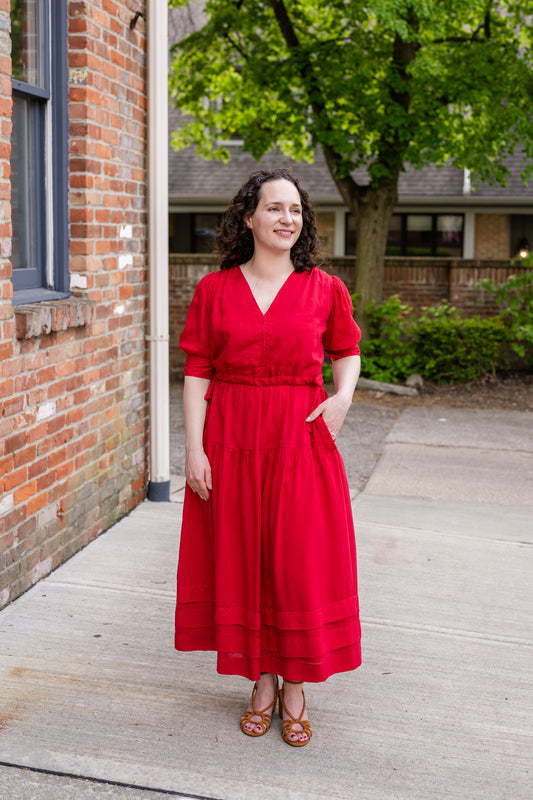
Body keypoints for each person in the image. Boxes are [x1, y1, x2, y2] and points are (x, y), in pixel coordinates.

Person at [175, 168, 362, 747]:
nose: (287, 218)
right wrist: (194, 449)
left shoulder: (325, 288)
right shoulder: (215, 289)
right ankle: (260, 683)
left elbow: (347, 350)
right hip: (231, 436)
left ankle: (297, 685)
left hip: (299, 439)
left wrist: (342, 398)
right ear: (249, 217)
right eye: (275, 208)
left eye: (296, 210)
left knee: (296, 561)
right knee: (244, 557)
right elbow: (197, 370)